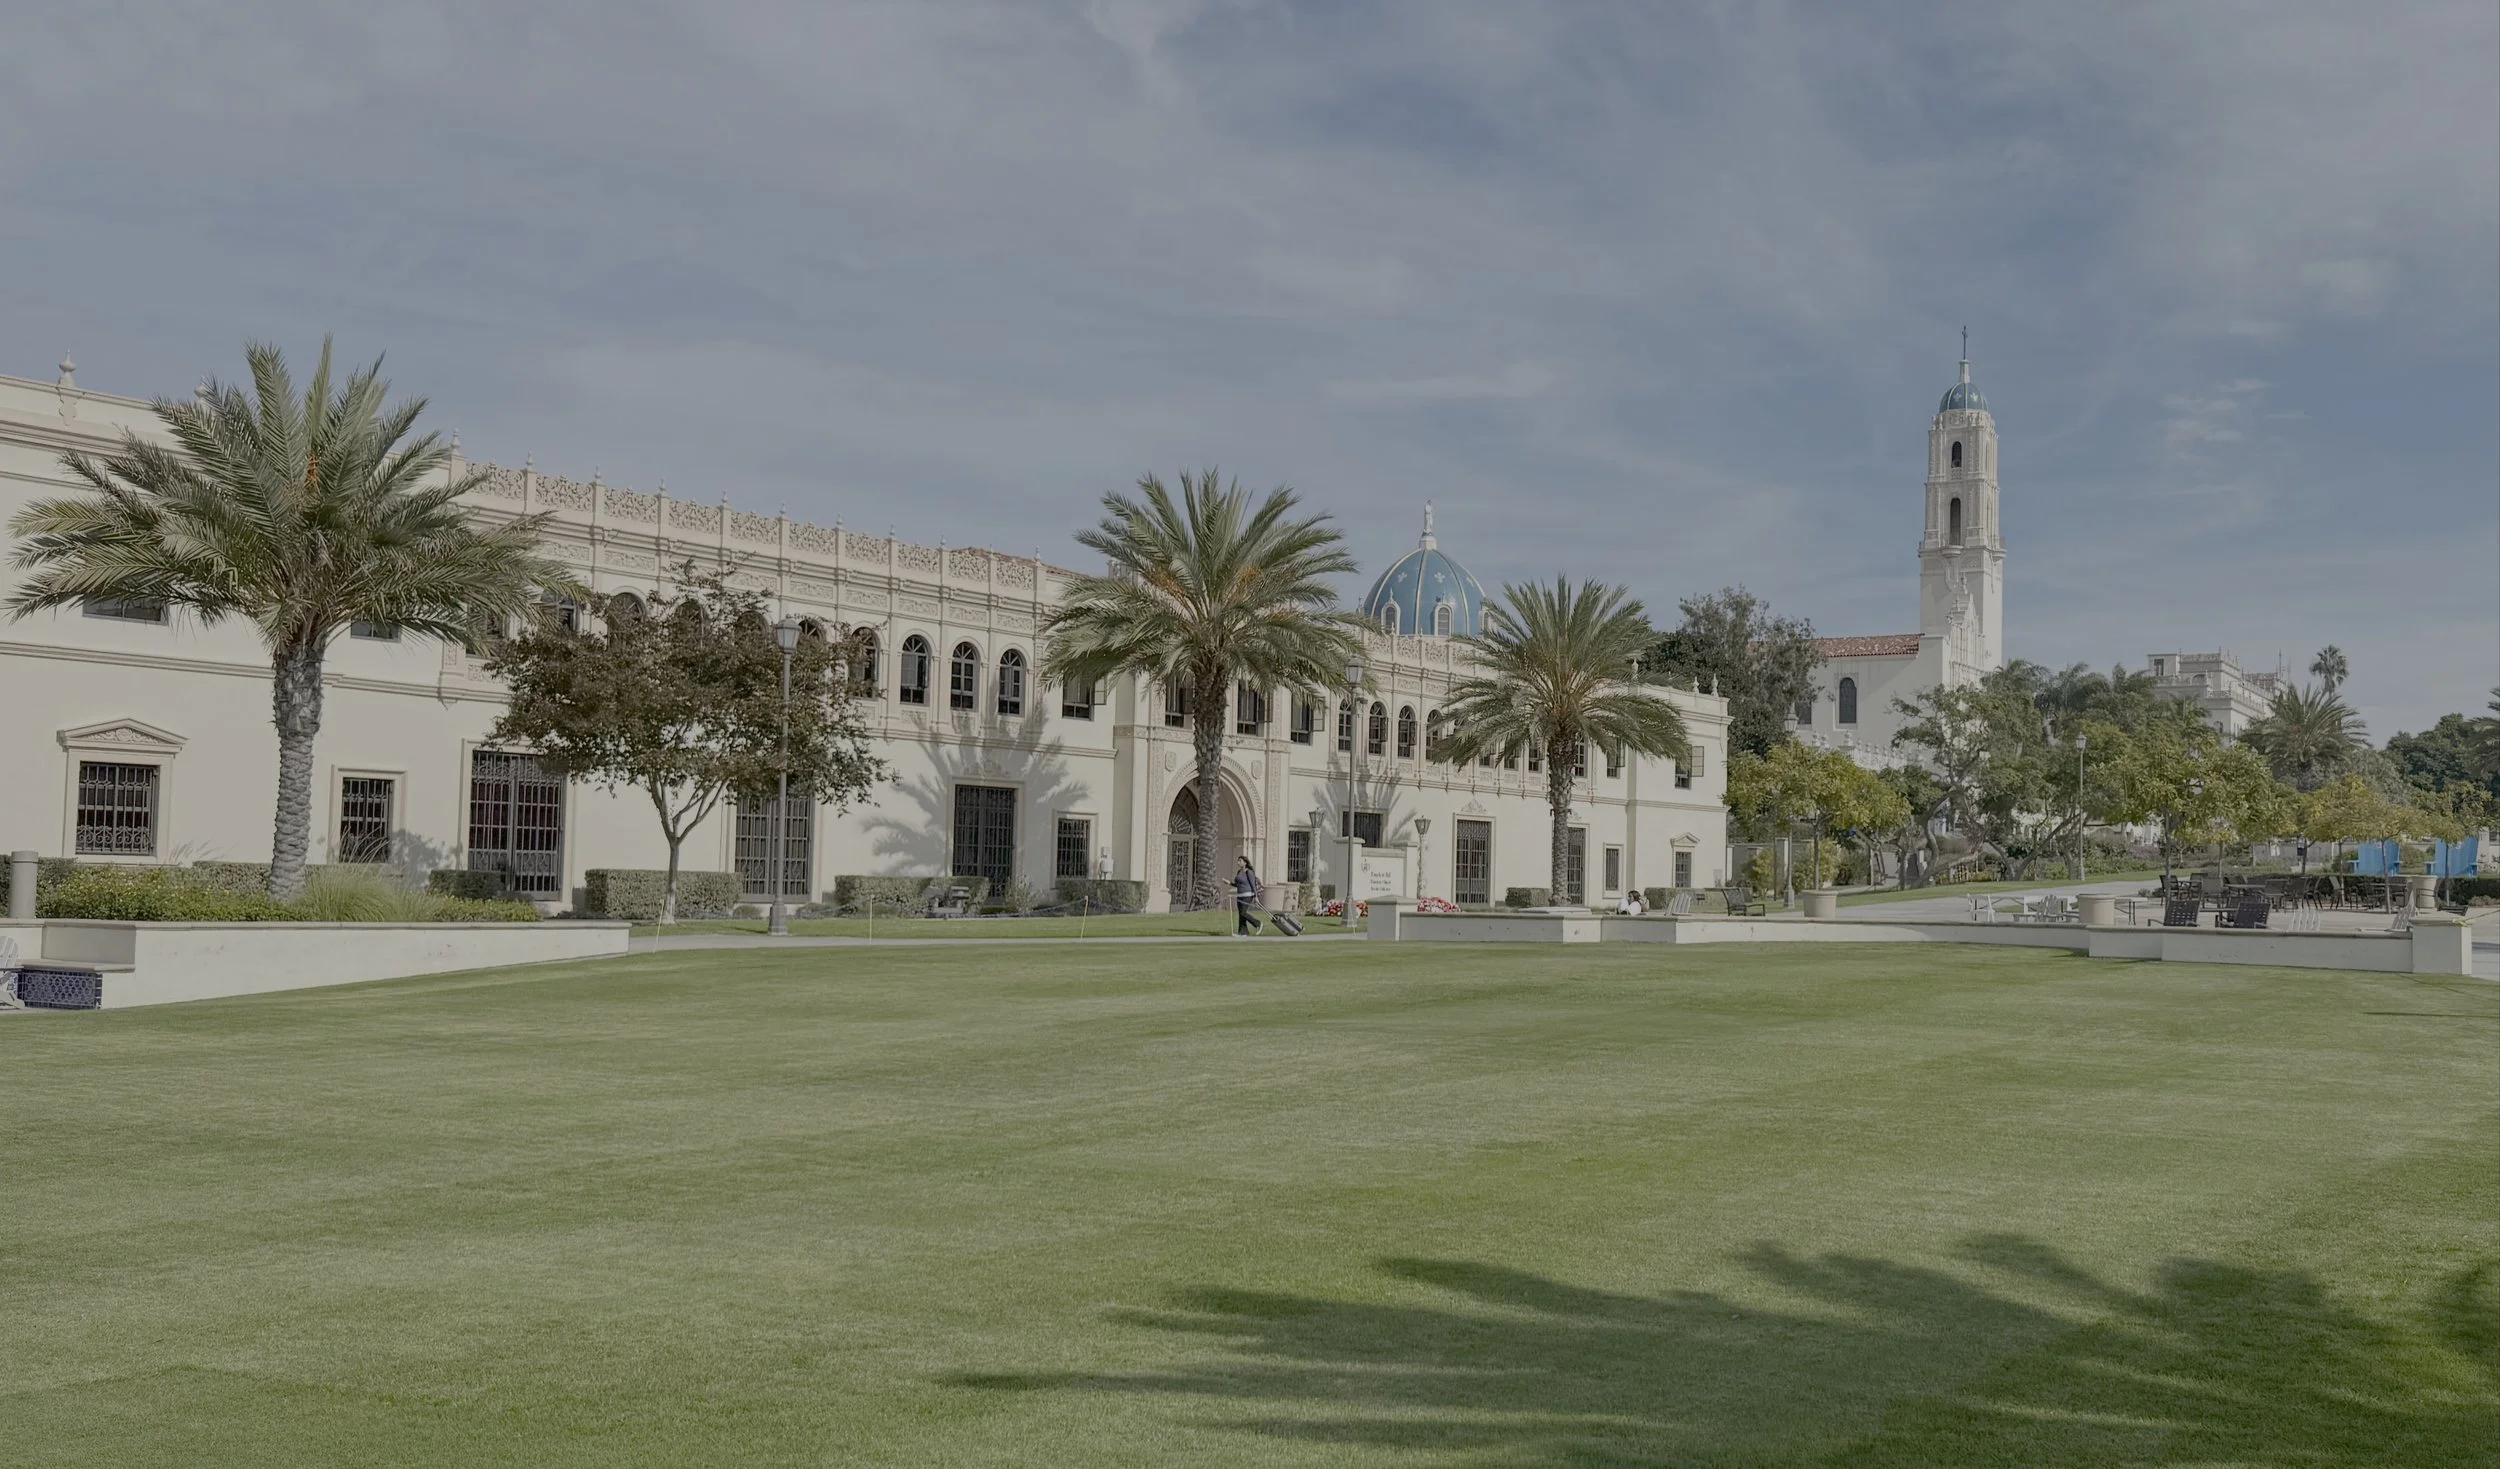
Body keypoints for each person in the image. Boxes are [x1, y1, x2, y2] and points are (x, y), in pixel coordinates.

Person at [1233, 856, 1264, 936]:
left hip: (1247, 895)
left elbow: (1253, 885)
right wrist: (1228, 883)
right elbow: (1237, 885)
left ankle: (1258, 923)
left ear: (1245, 862)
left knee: (1243, 913)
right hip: (1239, 895)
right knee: (1241, 914)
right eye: (1238, 861)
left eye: (1240, 861)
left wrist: (1256, 897)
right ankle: (1243, 932)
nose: (1238, 862)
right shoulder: (1239, 872)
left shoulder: (1249, 872)